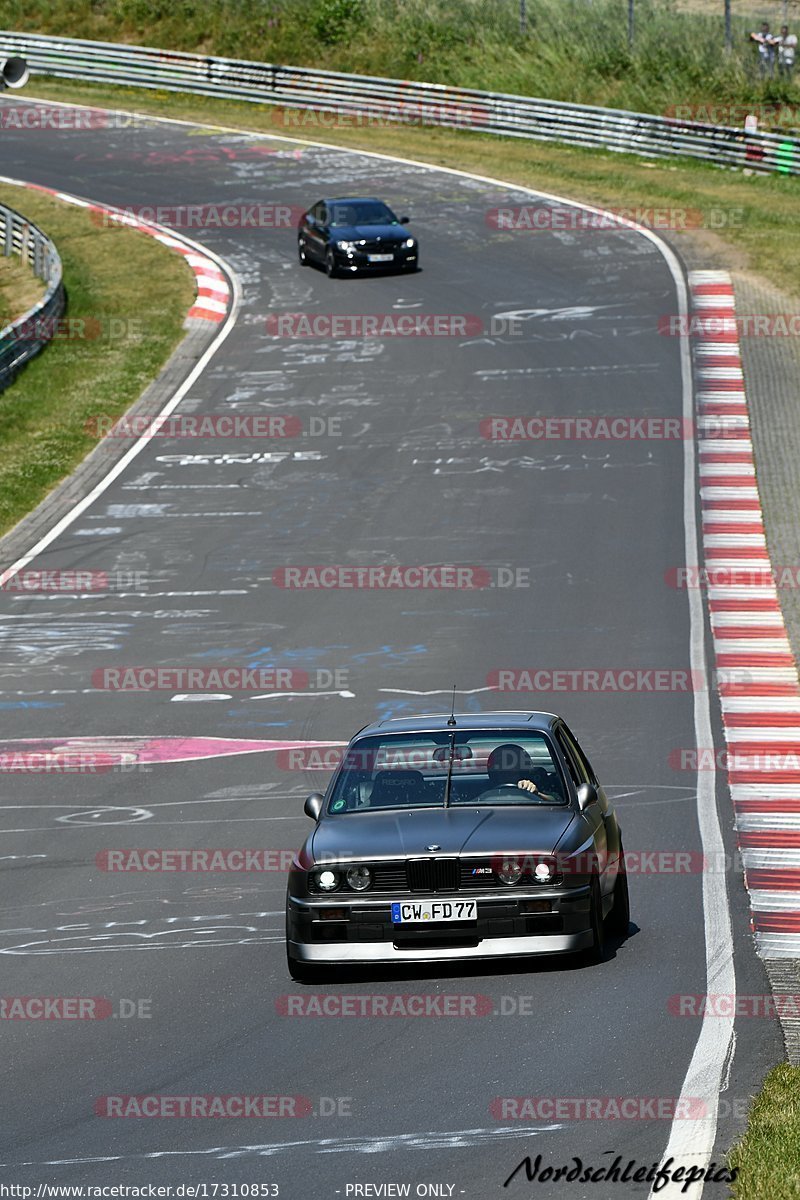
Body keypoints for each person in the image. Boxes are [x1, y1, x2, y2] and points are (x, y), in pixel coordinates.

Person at [484, 744, 558, 801]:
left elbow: (556, 800)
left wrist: (536, 794)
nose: (507, 772)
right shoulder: (483, 790)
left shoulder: (537, 785)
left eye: (510, 764)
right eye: (501, 769)